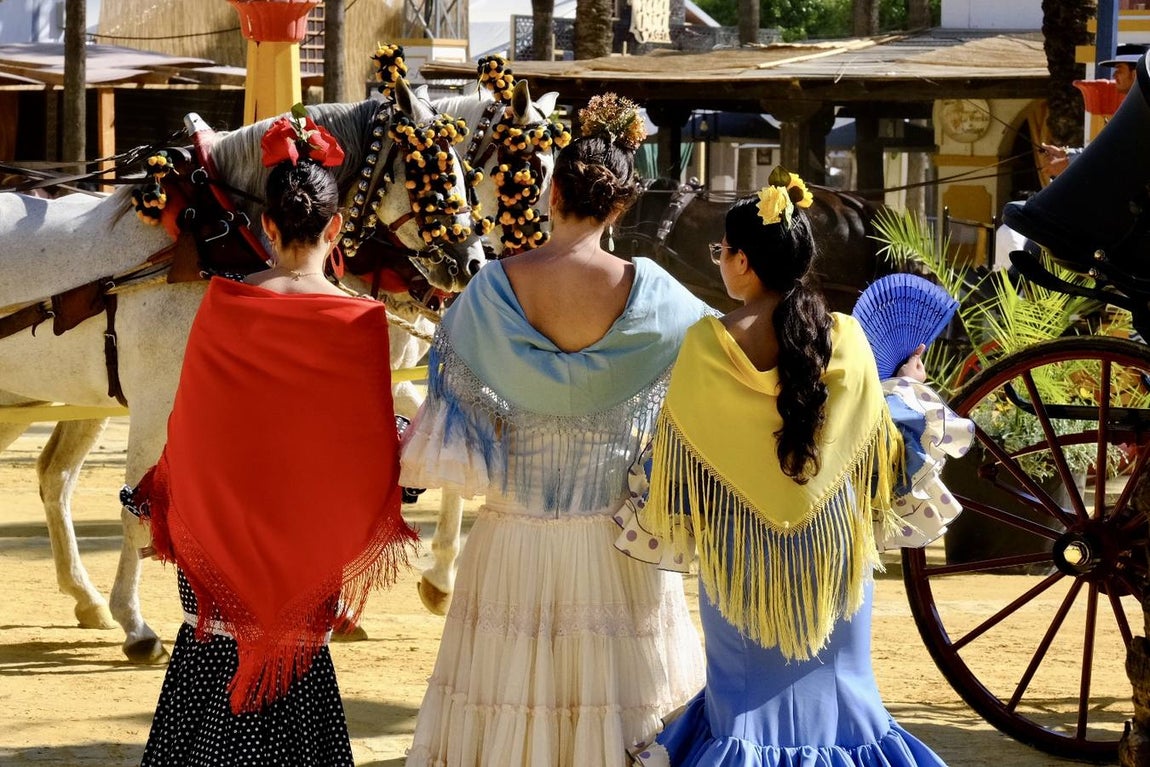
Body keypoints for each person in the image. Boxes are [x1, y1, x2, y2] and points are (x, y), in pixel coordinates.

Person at [615, 169, 966, 767]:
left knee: (740, 697)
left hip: (739, 551)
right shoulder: (850, 337)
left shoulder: (705, 342)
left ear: (744, 263)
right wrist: (908, 384)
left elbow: (672, 455)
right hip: (833, 547)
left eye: (721, 251)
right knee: (847, 697)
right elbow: (879, 441)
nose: (720, 260)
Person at [401, 93, 709, 767]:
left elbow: (458, 420)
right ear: (619, 206)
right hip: (620, 546)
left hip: (513, 542)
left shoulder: (488, 293)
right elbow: (718, 368)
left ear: (550, 191)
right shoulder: (659, 297)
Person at [126, 107, 418, 766]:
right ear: (336, 227)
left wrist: (166, 501)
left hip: (218, 554)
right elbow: (368, 455)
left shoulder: (223, 307)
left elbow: (190, 435)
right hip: (306, 559)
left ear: (266, 225)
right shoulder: (360, 322)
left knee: (208, 704)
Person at [1042, 43, 1150, 176]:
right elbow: (1108, 150)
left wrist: (1069, 163)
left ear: (1135, 74)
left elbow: (1122, 157)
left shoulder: (1143, 111)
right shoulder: (1134, 108)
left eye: (1119, 69)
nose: (1114, 75)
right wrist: (1066, 153)